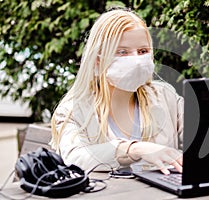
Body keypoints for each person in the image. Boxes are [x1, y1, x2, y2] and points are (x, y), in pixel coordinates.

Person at [50, 8, 183, 175]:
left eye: (142, 51)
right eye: (122, 52)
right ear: (98, 61)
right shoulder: (73, 110)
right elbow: (75, 157)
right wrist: (134, 149)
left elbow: (201, 137)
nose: (136, 60)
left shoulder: (165, 96)